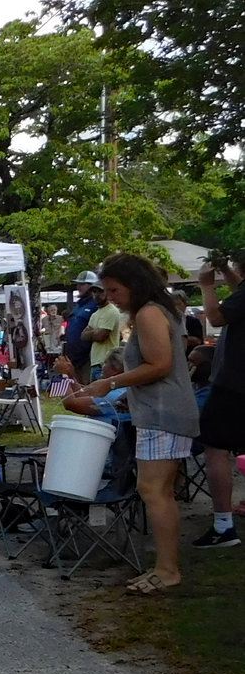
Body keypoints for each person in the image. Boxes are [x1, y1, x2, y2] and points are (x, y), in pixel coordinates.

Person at [69, 253, 199, 594]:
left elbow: (160, 365)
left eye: (114, 289)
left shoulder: (149, 312)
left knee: (153, 491)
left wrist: (110, 383)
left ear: (134, 284)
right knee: (158, 491)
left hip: (163, 412)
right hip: (162, 410)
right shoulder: (156, 310)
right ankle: (164, 567)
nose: (110, 297)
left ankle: (168, 569)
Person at [194, 258, 245, 544]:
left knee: (215, 449)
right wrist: (227, 272)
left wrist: (206, 285)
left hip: (234, 384)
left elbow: (215, 317)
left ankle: (223, 525)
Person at [63, 271, 101, 384]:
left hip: (87, 357)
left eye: (82, 284)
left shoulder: (95, 305)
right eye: (78, 284)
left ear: (91, 286)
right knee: (76, 389)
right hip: (74, 356)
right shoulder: (79, 304)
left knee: (86, 390)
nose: (78, 287)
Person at [83, 284, 123, 382]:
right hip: (95, 362)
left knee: (102, 396)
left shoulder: (112, 311)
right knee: (94, 395)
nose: (96, 295)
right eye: (94, 292)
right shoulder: (95, 314)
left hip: (106, 363)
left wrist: (92, 333)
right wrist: (95, 333)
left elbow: (101, 336)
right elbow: (83, 335)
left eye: (100, 292)